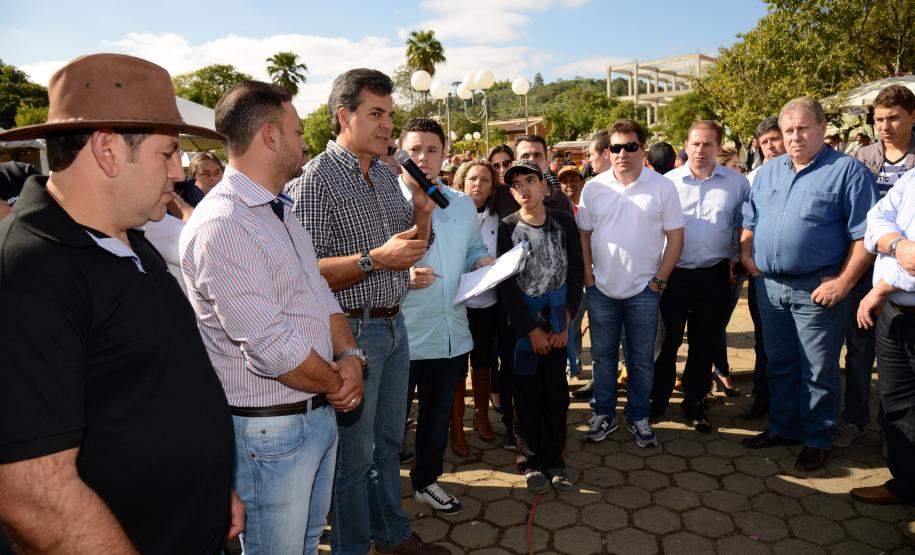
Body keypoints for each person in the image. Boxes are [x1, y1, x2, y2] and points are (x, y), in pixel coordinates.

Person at [0, 53, 239, 554]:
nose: (179, 171)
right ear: (108, 150)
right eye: (168, 153)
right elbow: (35, 497)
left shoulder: (127, 234)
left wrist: (215, 487)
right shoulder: (27, 273)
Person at [179, 81, 362, 554]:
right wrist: (339, 382)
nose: (305, 141)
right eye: (298, 131)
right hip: (272, 432)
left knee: (301, 545)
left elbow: (318, 292)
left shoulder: (280, 211)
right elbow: (272, 346)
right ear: (269, 136)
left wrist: (350, 354)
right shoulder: (226, 223)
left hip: (311, 414)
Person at [285, 68, 446, 555]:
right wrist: (374, 259)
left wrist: (421, 209)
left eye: (389, 115)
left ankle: (391, 534)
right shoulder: (315, 181)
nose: (386, 126)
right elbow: (301, 273)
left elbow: (415, 246)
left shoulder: (382, 174)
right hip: (350, 334)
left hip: (393, 325)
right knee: (352, 462)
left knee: (388, 447)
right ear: (343, 116)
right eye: (376, 114)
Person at [740, 96, 879, 471]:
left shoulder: (848, 172)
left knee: (818, 369)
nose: (795, 137)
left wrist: (845, 282)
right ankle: (784, 427)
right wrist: (749, 259)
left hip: (818, 289)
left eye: (803, 128)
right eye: (788, 131)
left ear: (822, 128)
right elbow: (749, 221)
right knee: (780, 363)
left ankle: (819, 437)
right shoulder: (768, 172)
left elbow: (865, 236)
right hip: (770, 287)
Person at [397, 118, 493, 513]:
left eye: (432, 150)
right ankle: (383, 491)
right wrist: (403, 276)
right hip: (398, 334)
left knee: (437, 419)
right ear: (400, 153)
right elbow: (365, 261)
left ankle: (427, 481)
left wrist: (483, 261)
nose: (423, 158)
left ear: (444, 155)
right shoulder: (382, 200)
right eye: (414, 149)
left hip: (450, 332)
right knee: (390, 425)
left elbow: (472, 250)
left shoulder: (461, 203)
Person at [578, 119, 684, 448]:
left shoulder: (662, 187)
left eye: (631, 146)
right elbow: (584, 234)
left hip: (644, 290)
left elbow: (676, 238)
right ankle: (604, 414)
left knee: (640, 359)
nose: (622, 153)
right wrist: (587, 274)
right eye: (616, 147)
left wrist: (660, 279)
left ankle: (639, 415)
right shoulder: (594, 187)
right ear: (608, 152)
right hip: (601, 290)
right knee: (602, 358)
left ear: (643, 149)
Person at [650, 121, 749, 432]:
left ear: (718, 147)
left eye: (708, 144)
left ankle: (695, 403)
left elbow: (741, 226)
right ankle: (658, 399)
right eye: (695, 143)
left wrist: (735, 263)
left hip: (715, 275)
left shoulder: (737, 184)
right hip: (673, 275)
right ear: (685, 144)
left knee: (704, 343)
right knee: (664, 343)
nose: (700, 150)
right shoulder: (667, 183)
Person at [497, 159, 584, 494]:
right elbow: (505, 283)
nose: (524, 189)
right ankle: (530, 462)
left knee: (556, 395)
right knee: (526, 396)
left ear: (545, 186)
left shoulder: (563, 222)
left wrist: (565, 323)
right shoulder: (507, 227)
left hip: (558, 321)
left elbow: (576, 271)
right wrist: (529, 329)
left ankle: (555, 462)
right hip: (524, 330)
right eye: (516, 185)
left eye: (530, 181)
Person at [852, 167, 915, 505]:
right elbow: (875, 219)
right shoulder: (911, 178)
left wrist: (883, 287)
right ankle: (905, 483)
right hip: (895, 310)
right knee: (897, 403)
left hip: (893, 296)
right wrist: (898, 244)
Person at [450, 158, 502, 455]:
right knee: (457, 366)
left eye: (484, 180)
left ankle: (482, 415)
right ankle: (456, 424)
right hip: (457, 302)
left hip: (488, 303)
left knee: (483, 362)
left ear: (492, 186)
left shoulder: (497, 217)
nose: (477, 185)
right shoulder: (449, 213)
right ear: (461, 182)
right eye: (472, 179)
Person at [509, 134, 573, 216]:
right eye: (525, 156)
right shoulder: (505, 198)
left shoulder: (562, 200)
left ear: (546, 163)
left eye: (537, 155)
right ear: (514, 163)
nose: (531, 160)